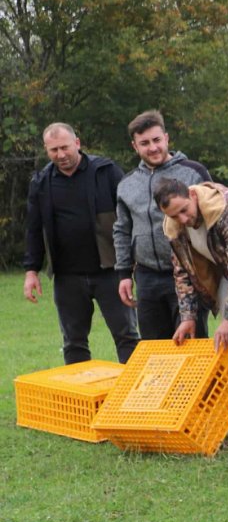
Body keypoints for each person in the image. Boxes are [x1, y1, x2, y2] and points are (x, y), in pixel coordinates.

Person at [23, 123, 139, 364]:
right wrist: (31, 270)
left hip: (110, 272)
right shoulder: (41, 182)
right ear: (47, 150)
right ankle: (81, 400)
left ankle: (136, 397)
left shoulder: (105, 171)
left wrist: (132, 262)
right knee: (73, 342)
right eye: (53, 150)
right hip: (67, 277)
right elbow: (33, 228)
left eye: (65, 147)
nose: (61, 155)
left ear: (77, 143)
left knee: (127, 336)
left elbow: (130, 215)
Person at [114, 110, 211, 340]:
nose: (153, 147)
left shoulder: (193, 172)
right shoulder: (127, 184)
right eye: (144, 143)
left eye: (157, 140)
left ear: (166, 138)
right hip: (147, 277)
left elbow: (213, 218)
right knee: (154, 350)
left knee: (191, 347)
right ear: (134, 146)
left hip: (189, 273)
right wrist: (123, 274)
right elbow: (122, 230)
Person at [154, 178, 228, 354]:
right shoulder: (174, 229)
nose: (183, 219)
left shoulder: (227, 212)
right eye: (174, 216)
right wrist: (187, 317)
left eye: (184, 210)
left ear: (193, 195)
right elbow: (182, 272)